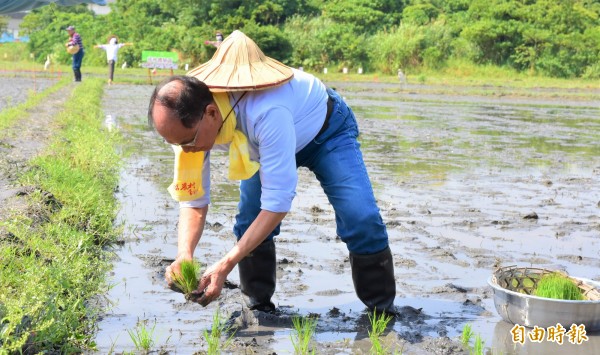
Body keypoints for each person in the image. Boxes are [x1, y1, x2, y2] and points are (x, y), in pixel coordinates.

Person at [147, 30, 396, 314]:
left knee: (360, 216)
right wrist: (184, 255)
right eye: (174, 143)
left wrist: (225, 264)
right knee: (250, 219)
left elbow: (278, 203)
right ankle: (258, 306)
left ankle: (381, 310)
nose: (185, 150)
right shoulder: (185, 121)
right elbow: (193, 199)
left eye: (187, 142)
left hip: (326, 133)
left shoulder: (266, 111)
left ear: (212, 114)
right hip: (262, 145)